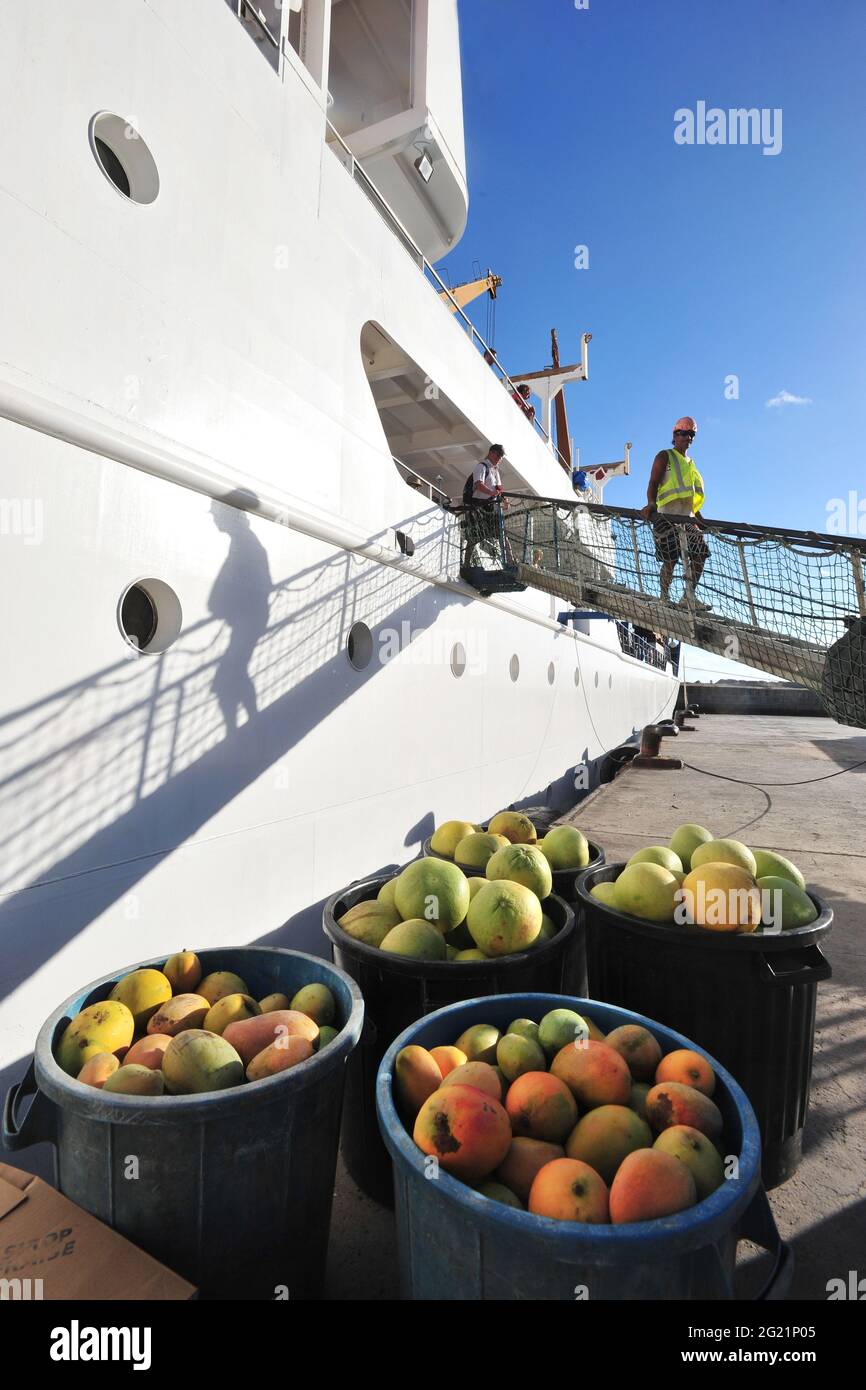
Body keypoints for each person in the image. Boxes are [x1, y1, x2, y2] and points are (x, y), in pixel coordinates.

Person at [641, 417, 711, 609]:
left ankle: (688, 596)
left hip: (687, 518)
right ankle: (664, 597)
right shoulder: (665, 456)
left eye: (691, 434)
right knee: (670, 560)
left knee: (700, 554)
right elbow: (653, 483)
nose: (687, 437)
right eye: (683, 433)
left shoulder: (691, 464)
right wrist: (650, 504)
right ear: (675, 435)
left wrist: (701, 520)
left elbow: (689, 497)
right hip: (665, 515)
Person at [463, 444, 506, 566]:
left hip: (490, 507)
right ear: (492, 453)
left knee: (502, 534)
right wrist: (491, 492)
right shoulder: (481, 467)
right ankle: (467, 563)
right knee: (475, 536)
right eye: (499, 455)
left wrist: (504, 500)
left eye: (502, 456)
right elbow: (478, 485)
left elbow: (499, 489)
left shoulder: (495, 471)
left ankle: (509, 561)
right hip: (477, 506)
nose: (500, 458)